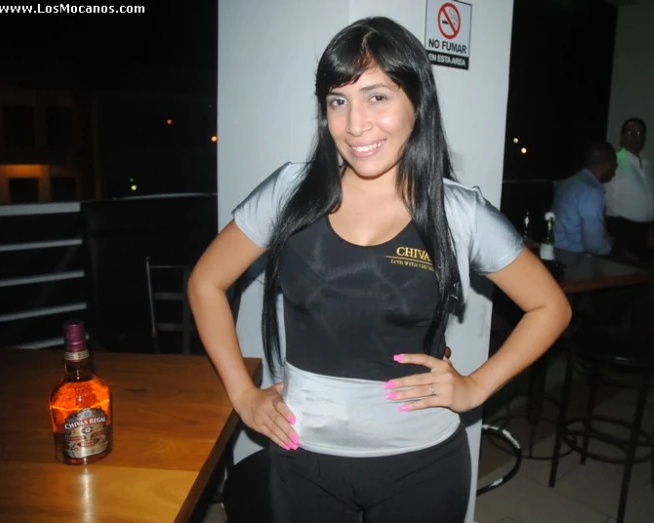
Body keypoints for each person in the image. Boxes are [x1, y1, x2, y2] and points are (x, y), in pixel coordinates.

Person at [187, 17, 571, 523]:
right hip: (303, 462)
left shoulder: (458, 212)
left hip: (424, 466)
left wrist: (475, 386)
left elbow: (551, 307)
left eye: (378, 97)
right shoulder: (289, 193)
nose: (355, 124)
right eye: (338, 101)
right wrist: (242, 394)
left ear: (417, 102)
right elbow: (205, 282)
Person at [603, 117, 654, 259]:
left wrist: (650, 229)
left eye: (639, 133)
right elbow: (602, 197)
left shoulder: (647, 164)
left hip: (643, 231)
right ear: (622, 136)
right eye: (630, 133)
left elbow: (649, 198)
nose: (635, 137)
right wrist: (603, 232)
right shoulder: (614, 161)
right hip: (621, 228)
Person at [552, 141, 617, 256]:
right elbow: (593, 243)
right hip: (573, 257)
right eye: (615, 165)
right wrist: (609, 249)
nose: (615, 171)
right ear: (607, 165)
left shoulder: (569, 182)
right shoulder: (591, 191)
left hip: (556, 250)